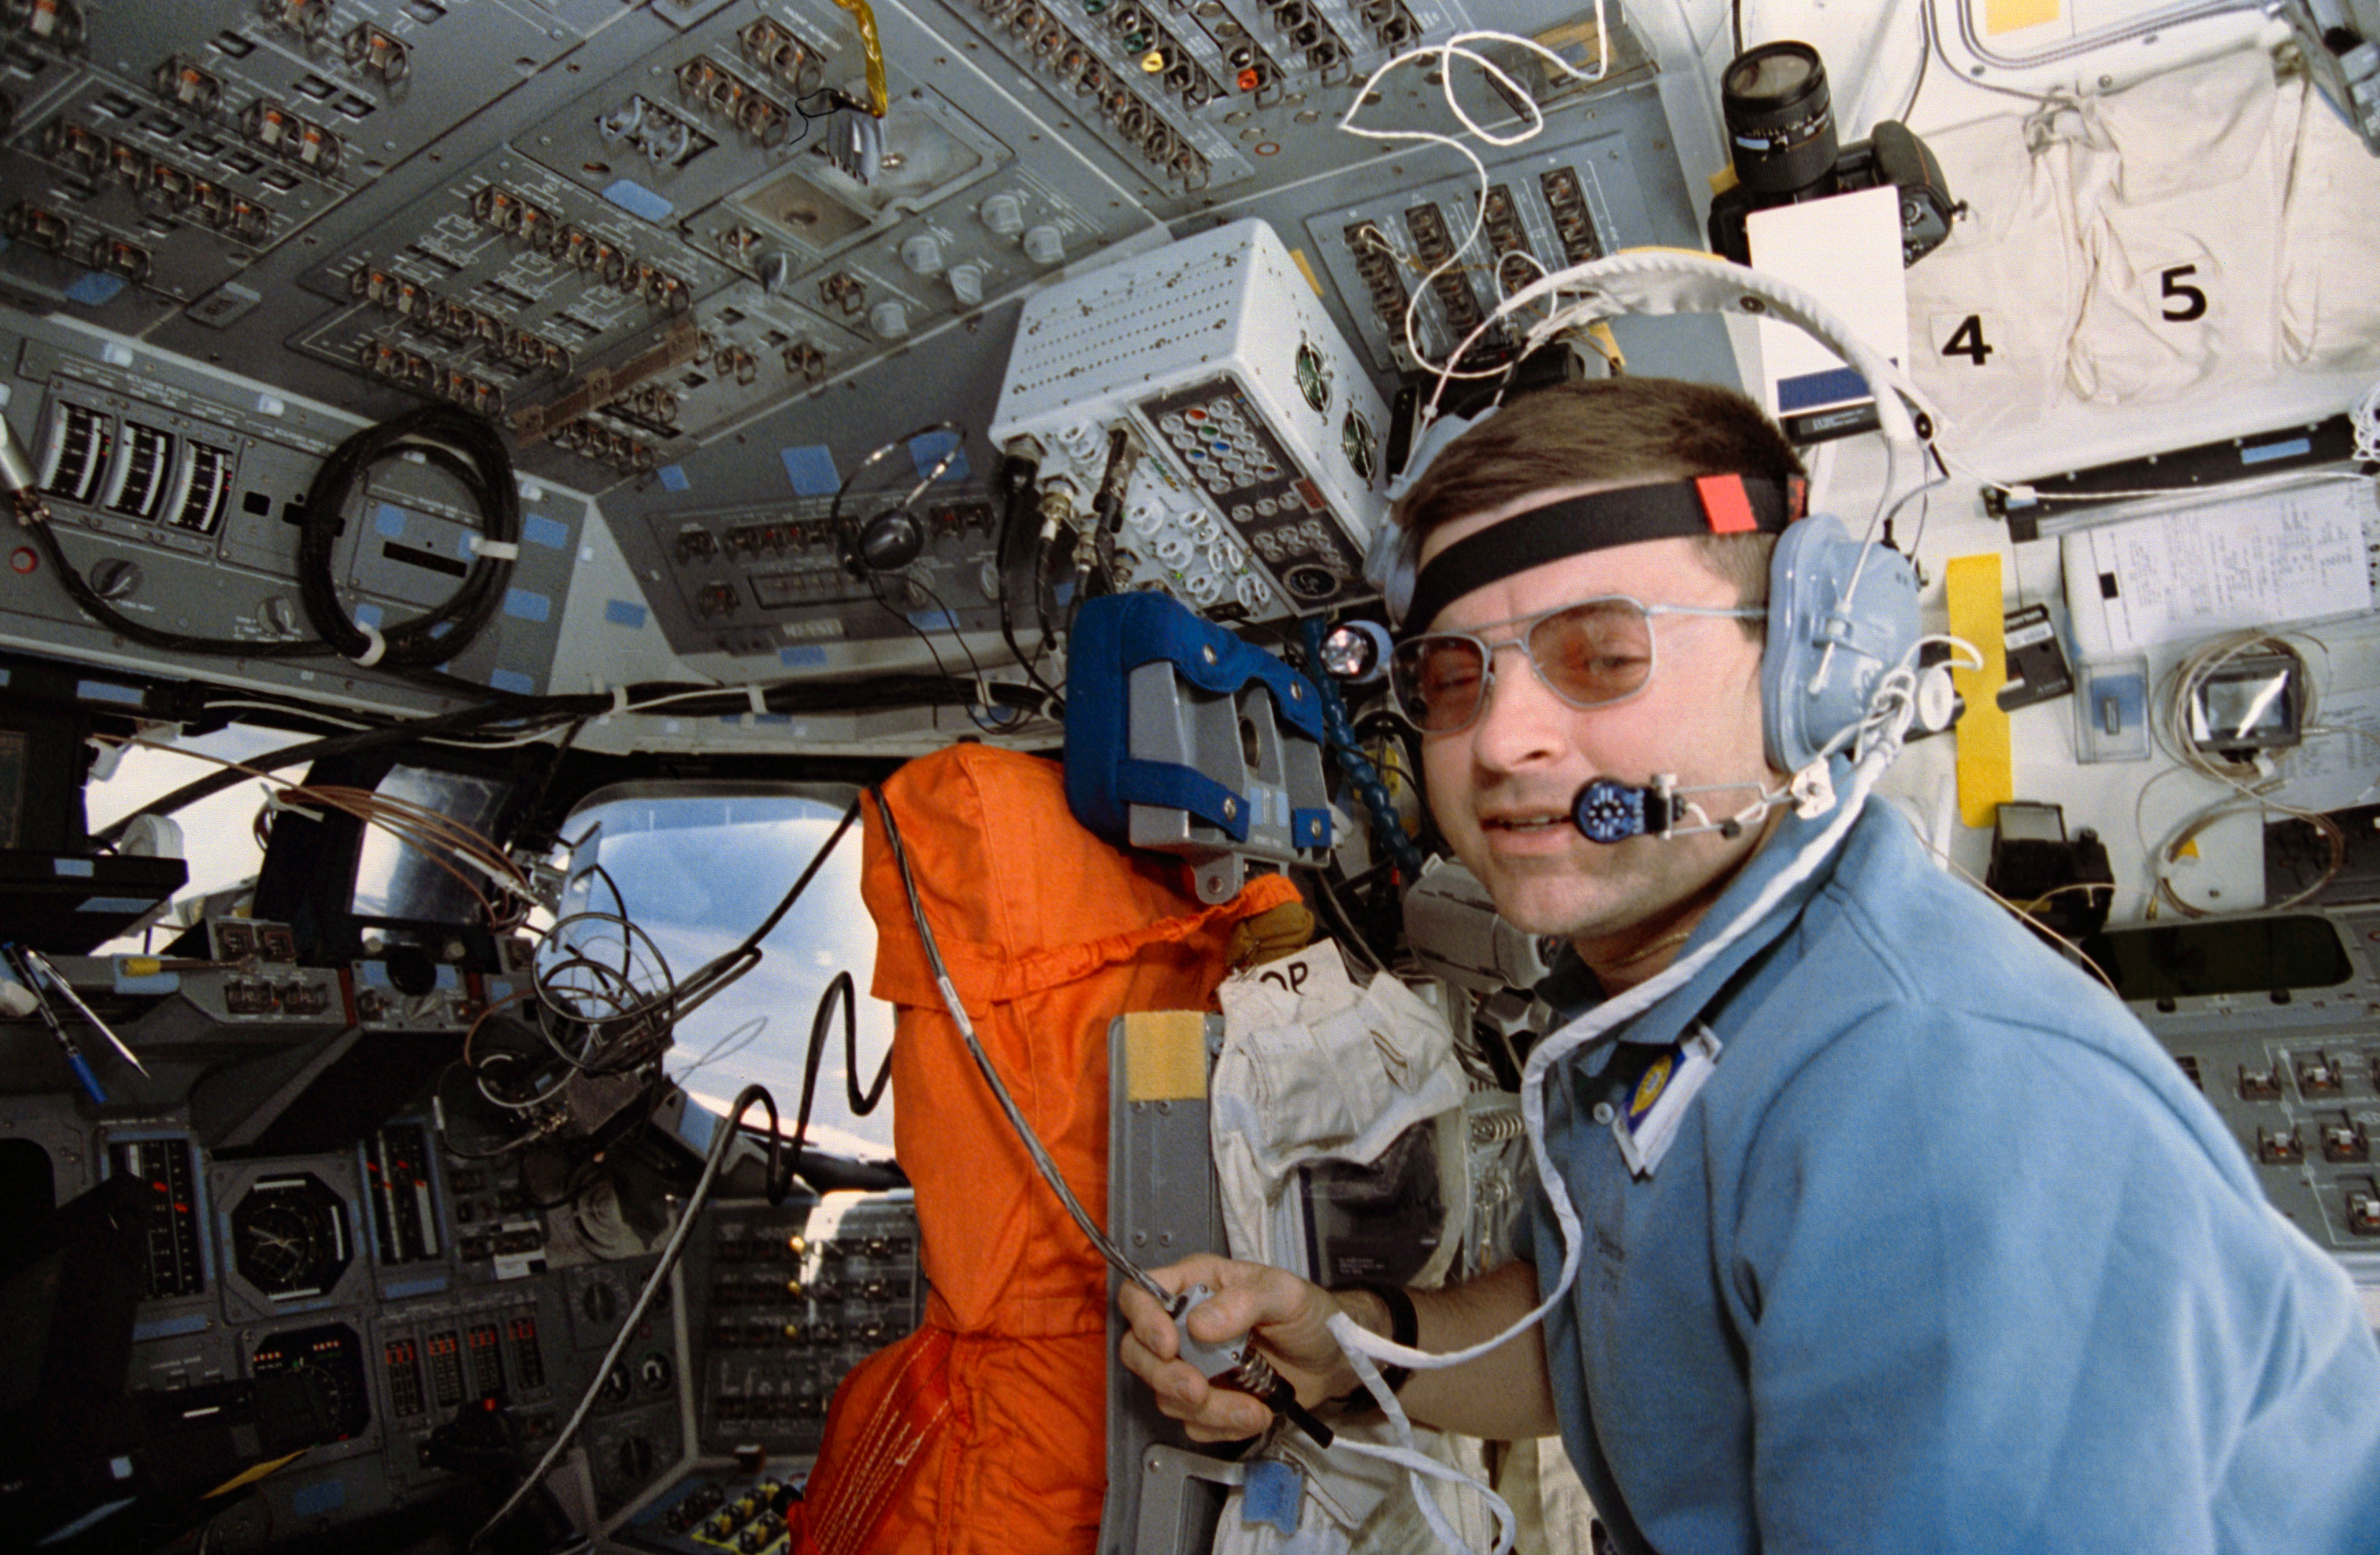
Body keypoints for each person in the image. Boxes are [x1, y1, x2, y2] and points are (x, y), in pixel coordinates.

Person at [1118, 377, 2380, 1552]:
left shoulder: (1924, 1097)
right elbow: (1605, 1340)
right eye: (1454, 675)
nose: (1500, 739)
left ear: (1801, 679)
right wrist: (1352, 1343)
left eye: (1598, 654)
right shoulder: (1664, 1005)